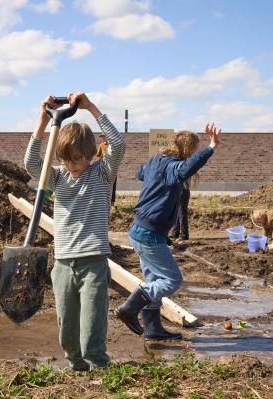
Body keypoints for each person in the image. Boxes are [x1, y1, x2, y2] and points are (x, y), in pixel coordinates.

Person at [24, 92, 125, 371]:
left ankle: (99, 368)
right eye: (67, 159)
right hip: (64, 262)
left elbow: (118, 143)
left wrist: (90, 107)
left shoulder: (102, 173)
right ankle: (76, 368)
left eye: (78, 158)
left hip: (93, 260)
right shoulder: (57, 176)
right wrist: (43, 118)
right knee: (66, 327)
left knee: (92, 324)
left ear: (90, 154)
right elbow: (32, 165)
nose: (72, 165)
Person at [115, 124, 221, 341]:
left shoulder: (156, 161)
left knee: (154, 280)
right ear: (187, 151)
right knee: (172, 280)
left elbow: (139, 172)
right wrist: (211, 147)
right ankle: (128, 308)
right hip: (149, 234)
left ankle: (153, 330)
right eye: (193, 150)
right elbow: (186, 168)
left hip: (139, 229)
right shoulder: (174, 168)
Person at [94, 133, 117, 207]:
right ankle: (103, 203)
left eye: (104, 137)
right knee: (104, 186)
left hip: (112, 169)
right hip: (104, 169)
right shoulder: (101, 145)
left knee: (113, 186)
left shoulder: (114, 146)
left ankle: (112, 203)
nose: (103, 138)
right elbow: (98, 155)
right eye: (102, 137)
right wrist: (98, 158)